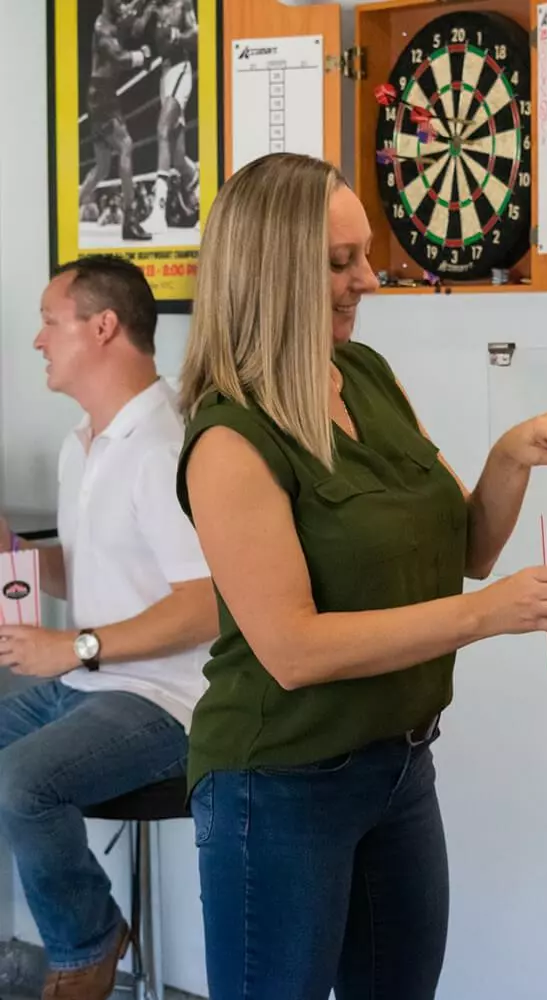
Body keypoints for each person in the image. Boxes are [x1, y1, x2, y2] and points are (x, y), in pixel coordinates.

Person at [176, 152, 547, 1000]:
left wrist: (510, 456)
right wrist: (486, 616)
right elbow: (293, 650)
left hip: (402, 768)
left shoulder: (365, 377)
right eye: (339, 264)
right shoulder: (229, 440)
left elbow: (466, 551)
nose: (367, 280)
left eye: (365, 255)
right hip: (280, 786)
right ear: (270, 273)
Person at [0, 255, 218, 1000]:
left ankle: (87, 945)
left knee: (23, 780)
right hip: (89, 683)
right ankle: (88, 928)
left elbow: (205, 605)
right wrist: (16, 560)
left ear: (102, 327)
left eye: (49, 322)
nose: (37, 341)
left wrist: (74, 646)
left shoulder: (164, 449)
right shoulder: (81, 444)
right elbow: (102, 575)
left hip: (168, 702)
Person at [78, 0, 154, 242]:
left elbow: (132, 14)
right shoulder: (102, 28)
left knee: (101, 168)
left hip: (101, 95)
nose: (123, 5)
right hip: (102, 98)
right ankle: (129, 220)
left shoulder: (114, 18)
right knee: (125, 146)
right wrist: (142, 55)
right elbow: (120, 58)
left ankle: (67, 208)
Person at [142, 0, 200, 233]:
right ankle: (198, 187)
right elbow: (135, 30)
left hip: (180, 70)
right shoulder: (154, 7)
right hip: (164, 75)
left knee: (162, 131)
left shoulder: (182, 4)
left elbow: (197, 36)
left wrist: (179, 36)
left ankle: (159, 212)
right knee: (178, 158)